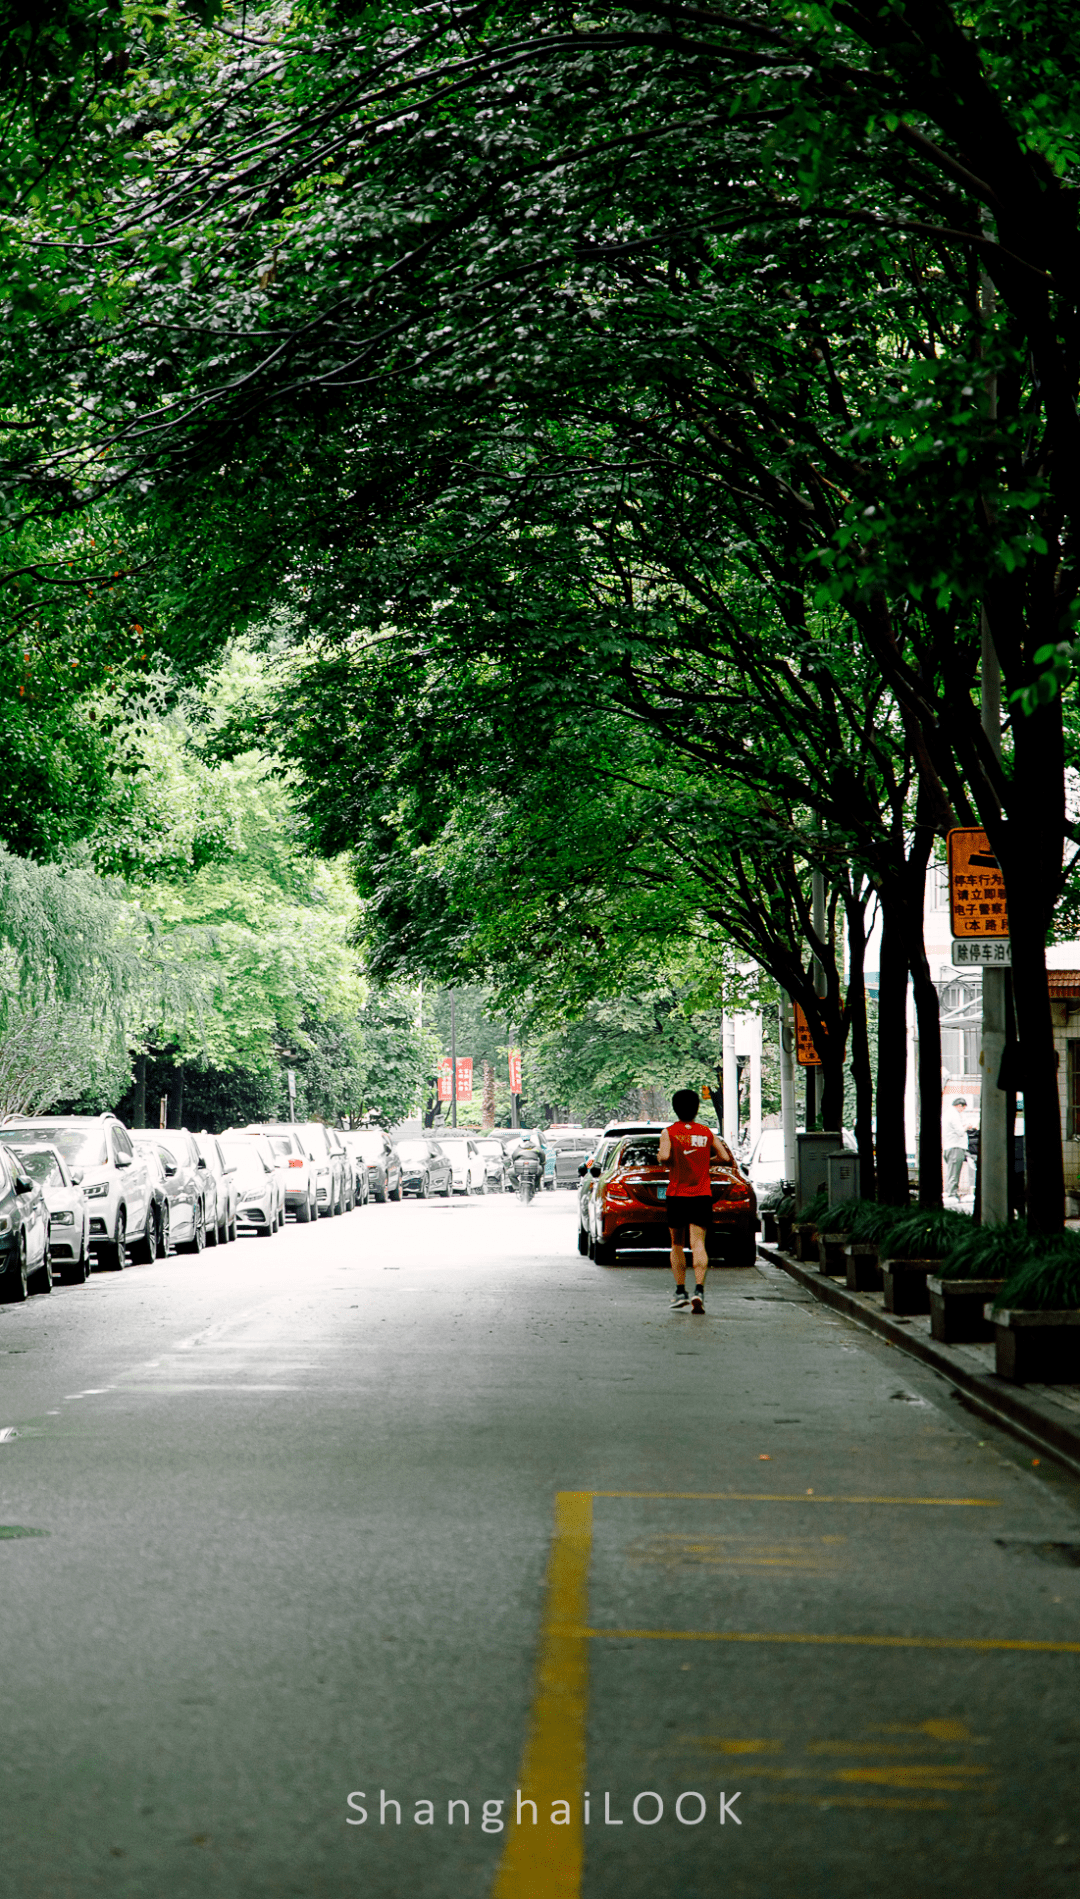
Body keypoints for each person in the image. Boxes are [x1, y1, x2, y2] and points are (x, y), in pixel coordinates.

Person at [658, 1088, 728, 1313]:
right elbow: (725, 1157)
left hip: (677, 1195)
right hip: (701, 1195)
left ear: (675, 1108)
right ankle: (699, 1290)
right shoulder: (706, 1133)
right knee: (698, 1243)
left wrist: (663, 1158)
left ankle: (680, 1291)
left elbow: (666, 1157)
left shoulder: (669, 1132)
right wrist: (705, 1161)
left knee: (676, 1244)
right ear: (697, 1108)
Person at [942, 1096, 969, 1203]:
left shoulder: (947, 1114)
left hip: (949, 1147)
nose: (963, 1111)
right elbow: (960, 1132)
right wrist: (967, 1126)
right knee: (954, 1172)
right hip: (955, 1147)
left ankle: (950, 1192)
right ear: (959, 1106)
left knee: (951, 1172)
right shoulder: (954, 1115)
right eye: (963, 1108)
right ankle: (952, 1194)